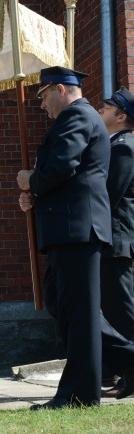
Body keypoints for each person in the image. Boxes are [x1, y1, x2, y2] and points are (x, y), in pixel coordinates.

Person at [17, 66, 114, 408]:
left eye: (43, 97)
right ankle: (97, 377)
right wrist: (35, 192)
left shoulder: (76, 116)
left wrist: (31, 180)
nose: (41, 105)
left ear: (60, 89)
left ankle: (80, 395)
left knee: (79, 314)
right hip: (69, 230)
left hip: (77, 229)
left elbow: (61, 167)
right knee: (63, 304)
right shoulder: (77, 117)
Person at [97, 87, 134, 396]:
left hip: (117, 241)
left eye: (107, 108)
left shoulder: (124, 148)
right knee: (113, 309)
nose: (101, 110)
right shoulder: (113, 145)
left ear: (121, 116)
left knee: (122, 310)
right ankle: (122, 375)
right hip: (110, 241)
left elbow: (108, 196)